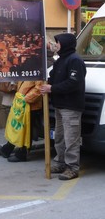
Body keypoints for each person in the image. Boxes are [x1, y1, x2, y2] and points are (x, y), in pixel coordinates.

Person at [41, 33, 86, 181]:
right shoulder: (60, 60)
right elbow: (52, 78)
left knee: (71, 138)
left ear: (65, 44)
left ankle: (72, 167)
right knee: (59, 137)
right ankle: (61, 162)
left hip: (71, 107)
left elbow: (73, 83)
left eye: (58, 43)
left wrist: (51, 89)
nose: (56, 45)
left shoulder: (75, 61)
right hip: (60, 106)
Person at [0, 81, 43, 162]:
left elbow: (39, 88)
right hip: (21, 103)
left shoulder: (37, 71)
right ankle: (7, 149)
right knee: (16, 127)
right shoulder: (27, 70)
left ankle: (21, 154)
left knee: (26, 131)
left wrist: (25, 98)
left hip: (30, 105)